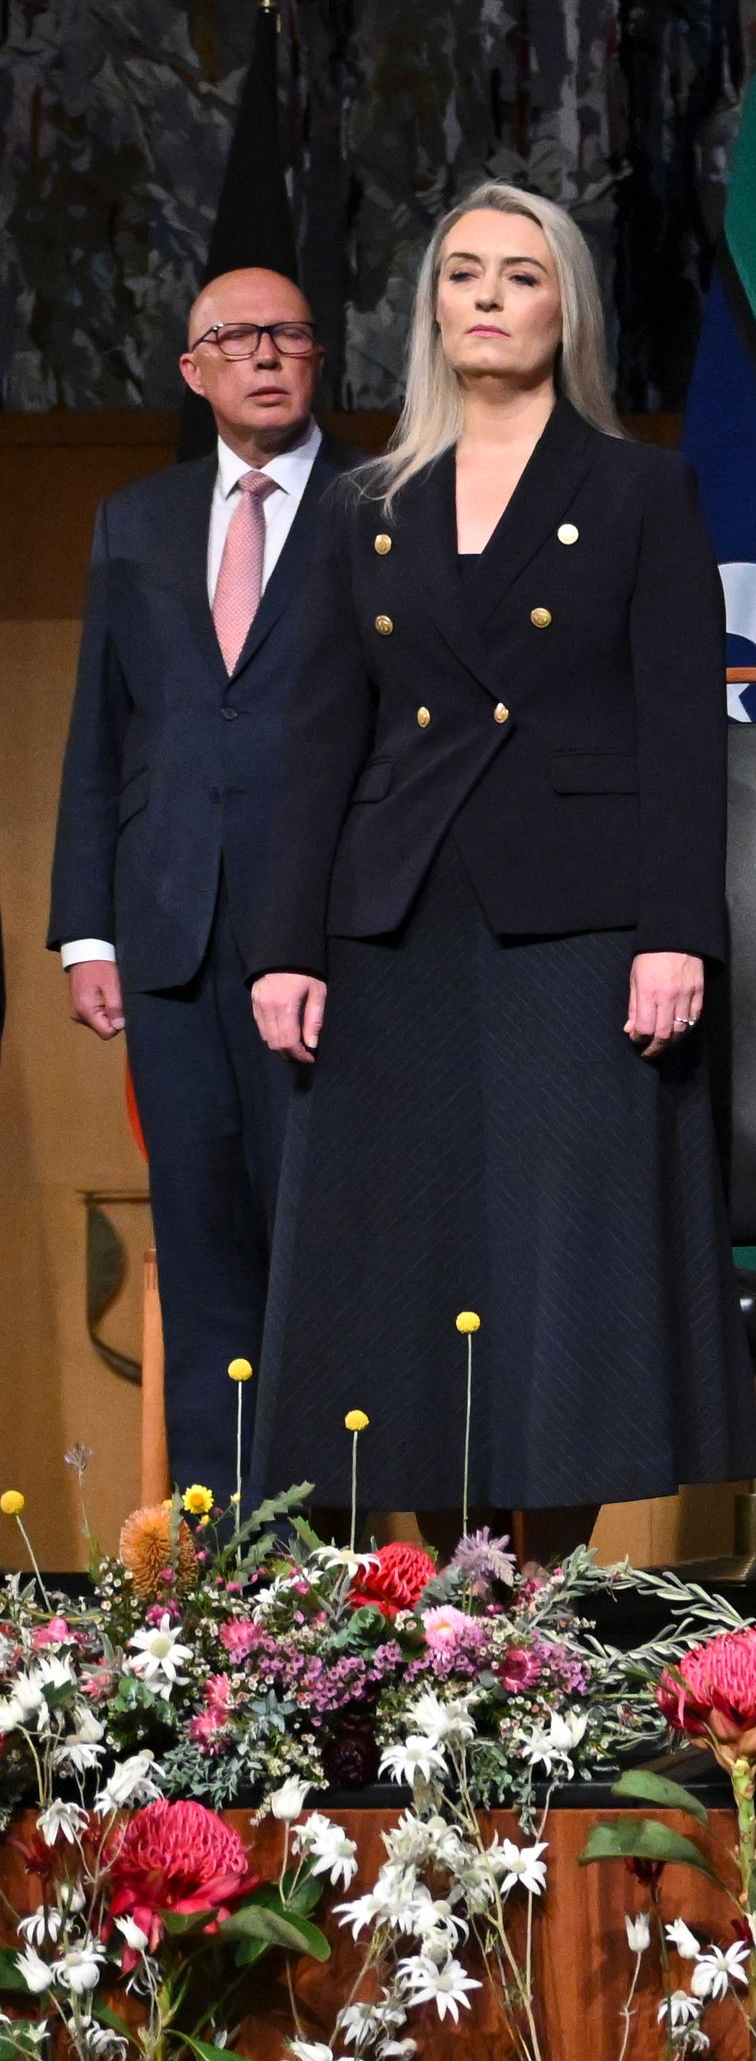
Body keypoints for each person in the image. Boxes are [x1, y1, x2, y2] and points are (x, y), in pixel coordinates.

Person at [245, 184, 756, 1552]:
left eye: (518, 275)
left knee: (562, 1266)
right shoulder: (367, 502)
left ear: (563, 306)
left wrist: (675, 933)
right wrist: (288, 943)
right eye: (461, 272)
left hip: (578, 930)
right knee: (403, 1261)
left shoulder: (642, 486)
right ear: (430, 309)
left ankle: (544, 1594)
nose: (485, 296)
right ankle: (442, 1603)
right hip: (395, 927)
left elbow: (678, 731)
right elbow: (316, 740)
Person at [48, 270, 363, 1493]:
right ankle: (229, 1591)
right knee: (202, 1255)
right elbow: (101, 735)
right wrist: (88, 931)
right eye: (234, 340)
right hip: (170, 934)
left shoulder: (380, 505)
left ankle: (344, 1593)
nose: (264, 357)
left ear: (319, 356)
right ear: (194, 371)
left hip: (328, 945)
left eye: (286, 334)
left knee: (323, 1261)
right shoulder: (136, 520)